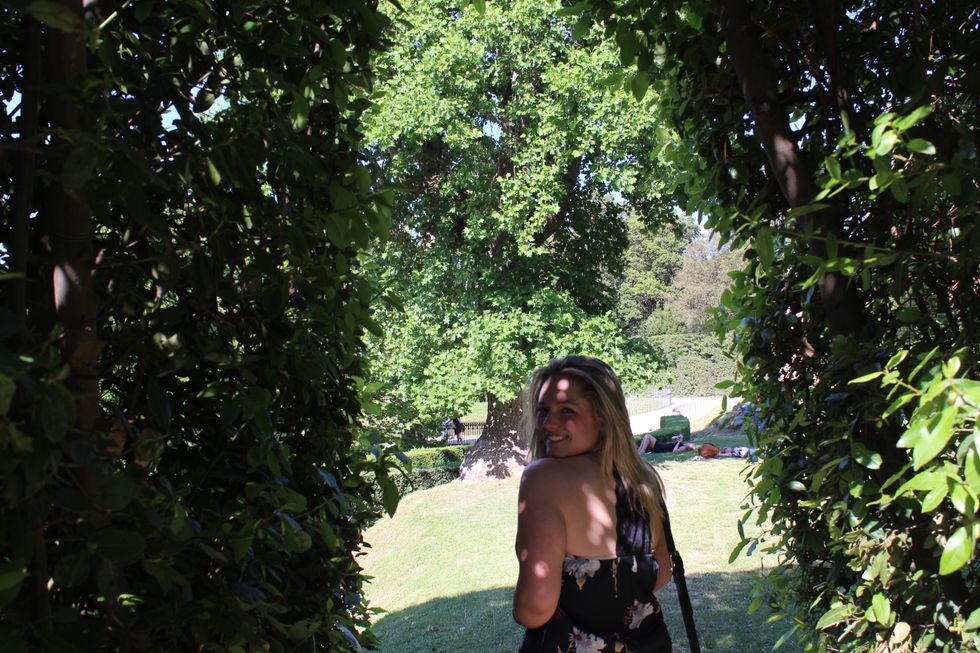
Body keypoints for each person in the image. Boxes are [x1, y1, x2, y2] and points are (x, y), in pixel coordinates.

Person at [513, 356, 673, 653]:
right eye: (543, 411)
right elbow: (662, 571)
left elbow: (535, 607)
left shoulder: (543, 479)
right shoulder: (642, 478)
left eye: (567, 411)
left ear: (602, 417)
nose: (548, 423)